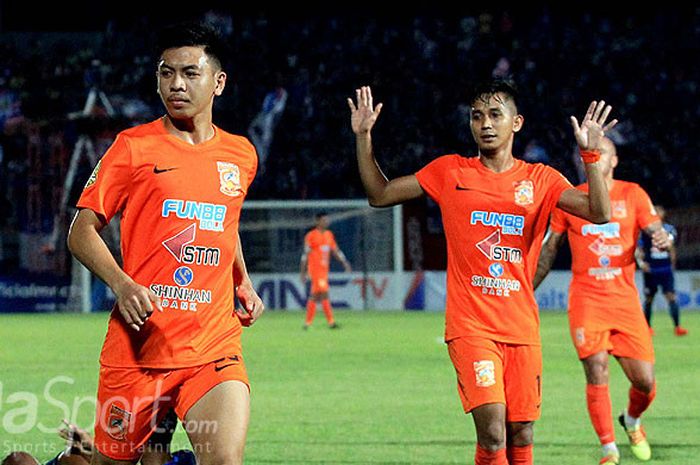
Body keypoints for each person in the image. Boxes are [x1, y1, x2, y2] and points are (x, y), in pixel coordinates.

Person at [348, 80, 616, 465]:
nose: (485, 124)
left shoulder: (540, 179)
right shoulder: (450, 171)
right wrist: (363, 138)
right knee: (492, 433)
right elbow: (380, 194)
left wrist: (590, 157)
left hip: (521, 327)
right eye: (477, 116)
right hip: (471, 327)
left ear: (516, 123)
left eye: (495, 114)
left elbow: (599, 212)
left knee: (520, 431)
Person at [66, 22, 263, 465]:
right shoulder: (133, 147)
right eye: (166, 72)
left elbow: (224, 224)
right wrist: (122, 284)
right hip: (139, 350)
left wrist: (243, 281)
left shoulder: (241, 155)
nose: (176, 84)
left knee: (225, 460)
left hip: (213, 347)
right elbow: (80, 232)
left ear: (218, 82)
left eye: (191, 73)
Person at [533, 137, 671, 464]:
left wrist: (663, 236)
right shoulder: (571, 198)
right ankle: (609, 449)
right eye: (590, 153)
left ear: (614, 160)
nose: (596, 156)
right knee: (597, 370)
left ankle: (632, 420)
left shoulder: (633, 193)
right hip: (586, 299)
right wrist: (526, 288)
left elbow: (655, 228)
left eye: (603, 150)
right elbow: (551, 248)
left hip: (624, 302)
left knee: (645, 383)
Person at [635, 205, 687, 335]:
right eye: (655, 211)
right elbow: (639, 249)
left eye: (659, 211)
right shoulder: (645, 230)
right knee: (649, 298)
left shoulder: (669, 229)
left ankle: (677, 327)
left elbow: (672, 247)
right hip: (651, 269)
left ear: (663, 214)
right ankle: (647, 327)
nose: (657, 213)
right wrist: (641, 264)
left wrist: (673, 264)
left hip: (665, 269)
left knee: (671, 297)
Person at [300, 212, 352, 329]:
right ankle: (329, 322)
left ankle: (309, 323)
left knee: (317, 296)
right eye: (324, 220)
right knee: (322, 294)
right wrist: (303, 272)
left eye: (327, 220)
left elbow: (336, 251)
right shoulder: (311, 236)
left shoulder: (329, 235)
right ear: (317, 221)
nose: (326, 222)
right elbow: (305, 255)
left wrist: (344, 262)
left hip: (324, 270)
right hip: (315, 270)